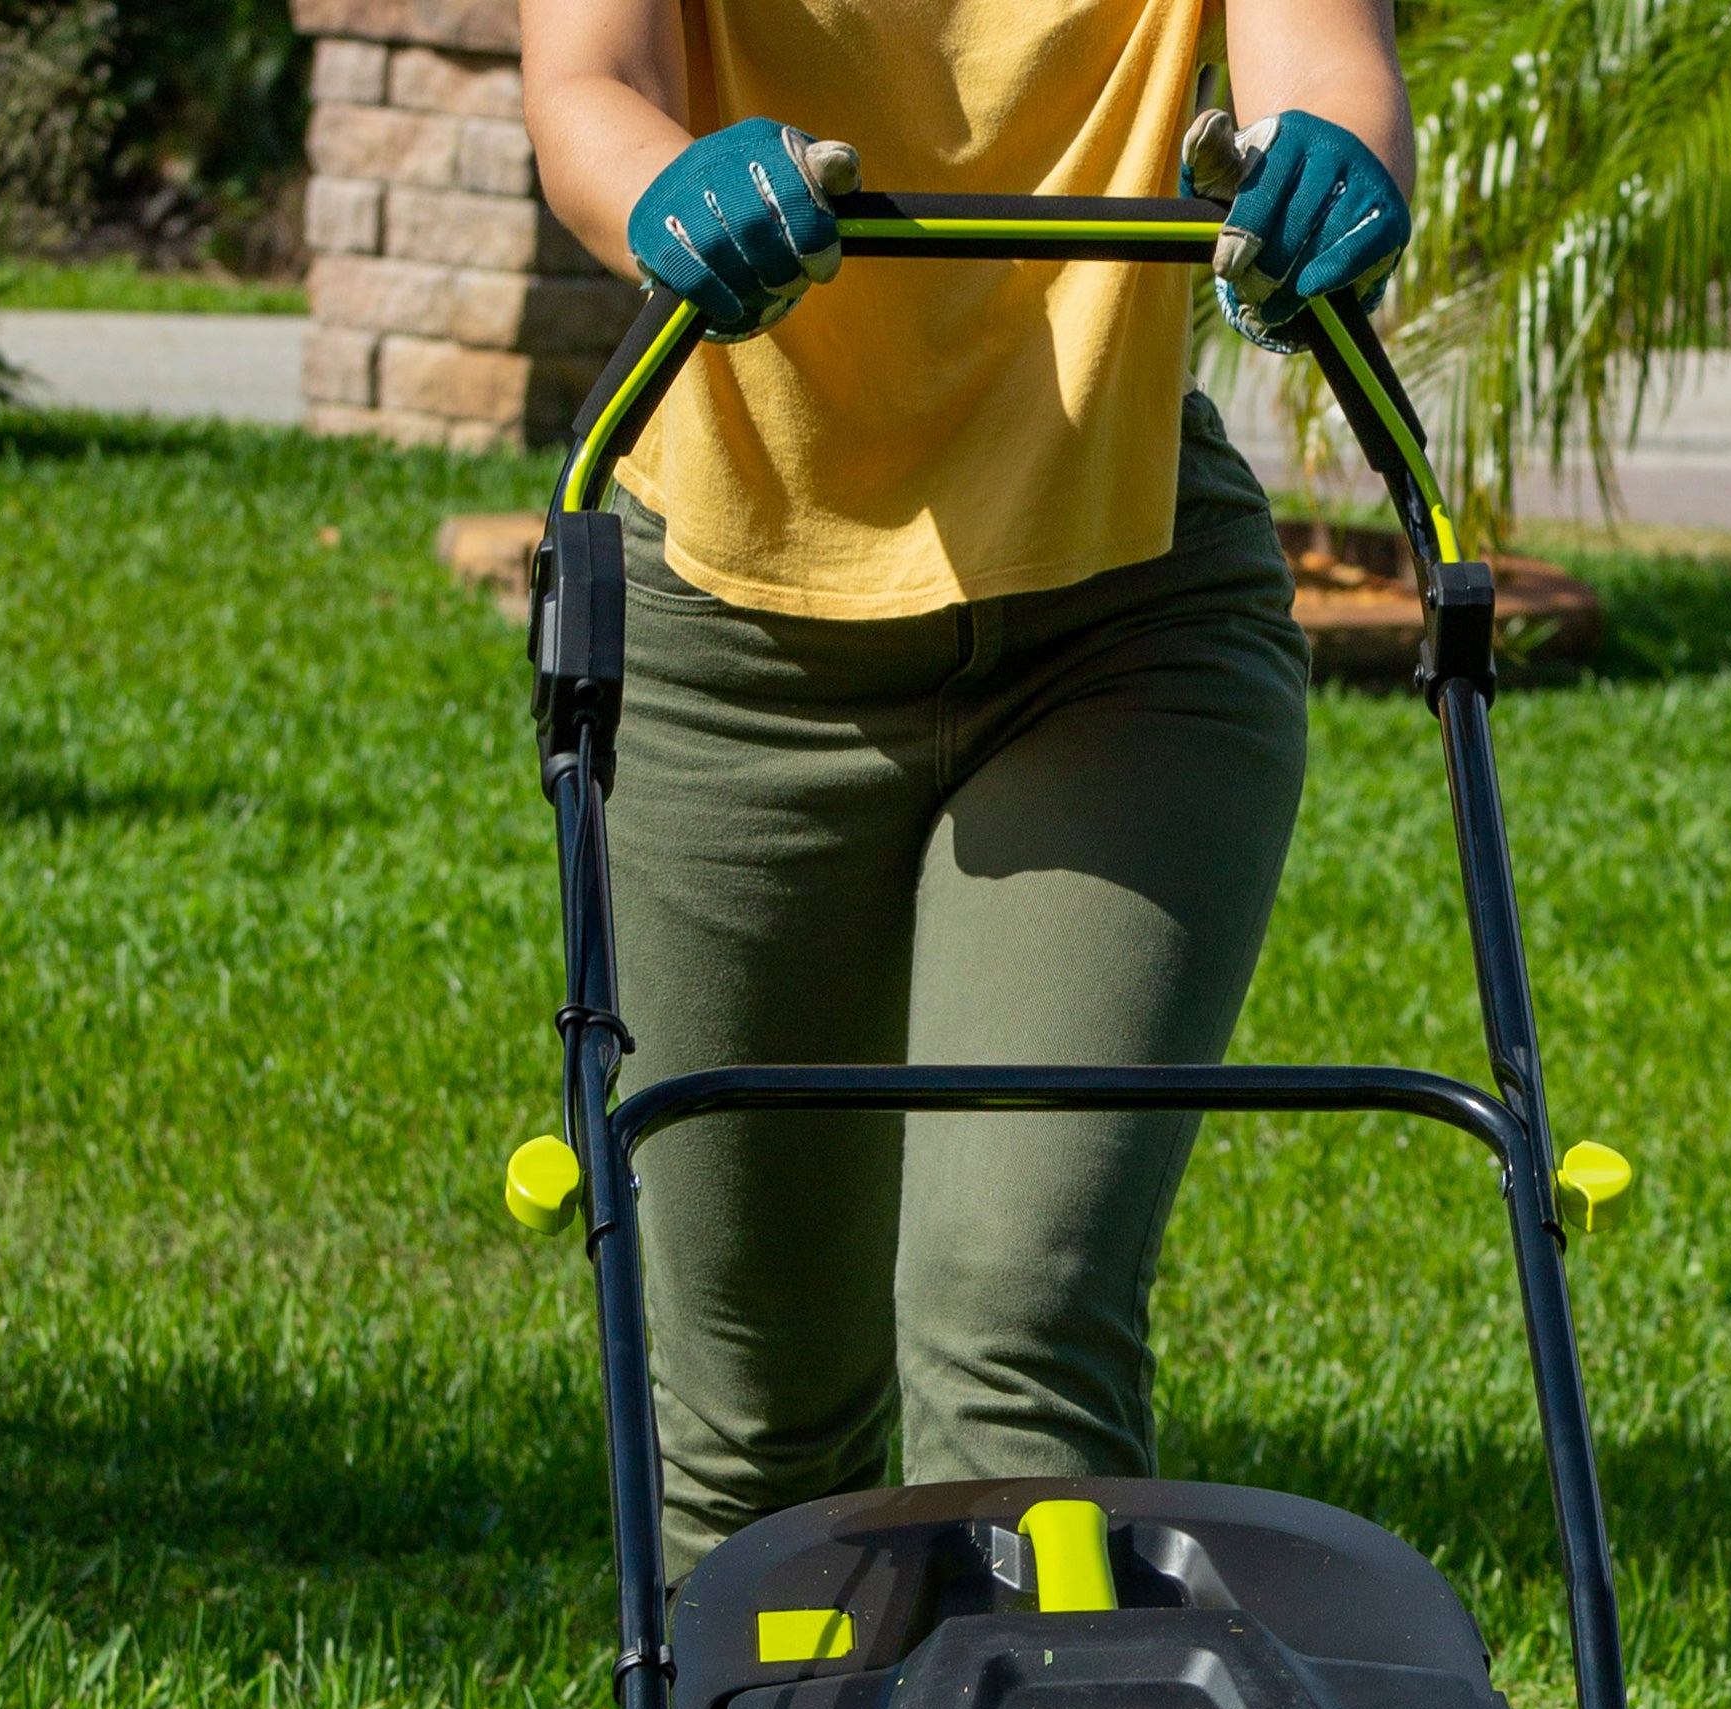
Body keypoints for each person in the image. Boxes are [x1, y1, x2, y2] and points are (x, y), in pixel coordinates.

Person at [522, 0, 1413, 1579]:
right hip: (730, 648)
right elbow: (591, 89)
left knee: (1018, 1312)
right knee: (755, 1414)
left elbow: (1325, 67)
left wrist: (1330, 165)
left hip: (1121, 622)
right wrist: (669, 184)